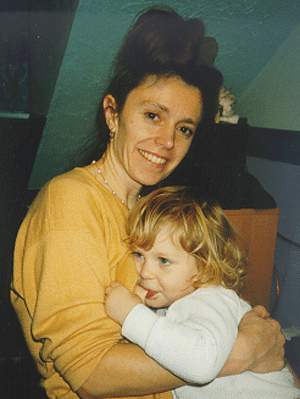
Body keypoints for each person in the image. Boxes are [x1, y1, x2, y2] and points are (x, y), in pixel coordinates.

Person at [11, 6, 285, 399]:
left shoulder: (148, 212)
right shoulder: (70, 201)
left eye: (184, 128)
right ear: (113, 113)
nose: (169, 142)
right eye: (153, 115)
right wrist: (241, 352)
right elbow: (90, 374)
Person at [105, 186, 300, 399]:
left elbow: (201, 364)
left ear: (204, 265)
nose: (144, 272)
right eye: (139, 255)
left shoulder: (209, 300)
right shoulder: (178, 300)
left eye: (163, 260)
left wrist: (132, 314)